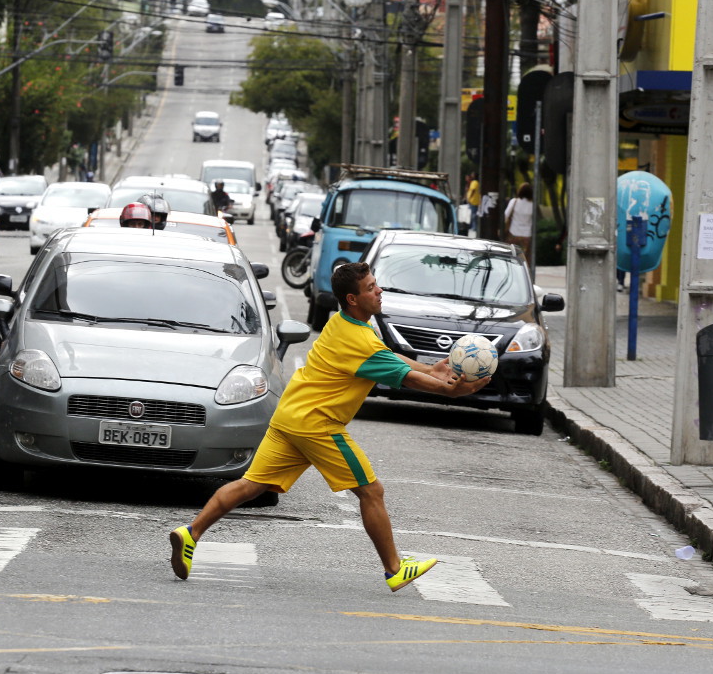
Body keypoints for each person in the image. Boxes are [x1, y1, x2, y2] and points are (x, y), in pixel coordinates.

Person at [168, 261, 492, 592]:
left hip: (290, 416)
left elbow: (388, 357)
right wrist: (453, 389)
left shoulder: (342, 323)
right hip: (317, 424)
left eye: (376, 285)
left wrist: (432, 368)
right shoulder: (360, 340)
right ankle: (395, 568)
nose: (379, 291)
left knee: (251, 485)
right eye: (370, 288)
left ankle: (190, 533)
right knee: (371, 491)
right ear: (353, 299)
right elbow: (406, 378)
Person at [503, 182, 535, 258]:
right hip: (527, 235)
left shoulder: (514, 201)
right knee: (523, 258)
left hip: (513, 233)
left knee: (511, 256)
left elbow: (506, 215)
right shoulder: (532, 205)